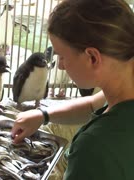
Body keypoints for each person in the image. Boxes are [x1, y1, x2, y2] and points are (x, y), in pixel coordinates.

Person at [11, 0, 134, 179]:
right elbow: (93, 104)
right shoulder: (125, 82)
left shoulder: (94, 147)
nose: (60, 66)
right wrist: (43, 115)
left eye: (62, 56)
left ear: (92, 58)